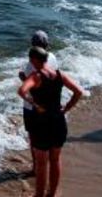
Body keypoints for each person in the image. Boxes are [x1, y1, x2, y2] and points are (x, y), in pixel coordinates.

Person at [18, 46, 83, 197]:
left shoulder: (36, 76)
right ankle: (52, 194)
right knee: (55, 159)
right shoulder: (60, 75)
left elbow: (21, 91)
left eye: (30, 59)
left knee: (41, 164)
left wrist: (34, 104)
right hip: (59, 121)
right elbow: (78, 92)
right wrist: (66, 108)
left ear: (34, 60)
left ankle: (39, 195)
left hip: (42, 123)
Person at [18, 30, 59, 174]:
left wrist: (22, 77)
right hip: (49, 104)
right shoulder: (53, 57)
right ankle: (46, 164)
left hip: (32, 106)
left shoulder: (31, 64)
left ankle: (36, 167)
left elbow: (30, 86)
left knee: (33, 136)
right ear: (47, 45)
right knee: (46, 135)